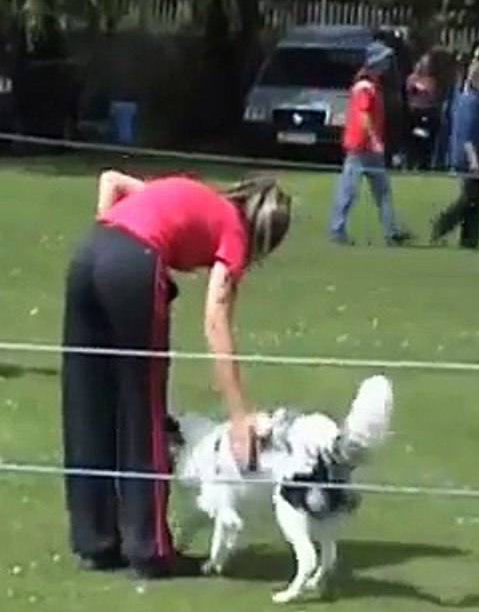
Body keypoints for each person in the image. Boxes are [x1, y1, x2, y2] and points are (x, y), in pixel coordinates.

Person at [62, 170, 292, 579]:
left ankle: (95, 540)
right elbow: (215, 321)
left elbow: (110, 181)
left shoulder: (195, 196)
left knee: (88, 401)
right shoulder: (234, 232)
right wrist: (240, 417)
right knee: (144, 409)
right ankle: (148, 548)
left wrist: (108, 243)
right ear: (263, 235)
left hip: (89, 254)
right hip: (133, 265)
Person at [328, 41, 412, 247]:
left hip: (368, 148)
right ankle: (337, 229)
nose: (387, 65)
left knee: (381, 190)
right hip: (360, 147)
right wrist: (374, 139)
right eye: (384, 60)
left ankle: (392, 231)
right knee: (349, 191)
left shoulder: (372, 85)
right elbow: (364, 115)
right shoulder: (365, 87)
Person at [429, 59, 479, 249]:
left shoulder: (463, 97)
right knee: (470, 197)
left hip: (461, 153)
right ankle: (442, 224)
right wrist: (474, 160)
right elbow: (467, 134)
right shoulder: (472, 102)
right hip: (466, 156)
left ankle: (469, 239)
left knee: (475, 198)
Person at [405, 54, 438, 171]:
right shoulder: (411, 78)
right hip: (414, 113)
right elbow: (409, 90)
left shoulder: (431, 80)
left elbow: (432, 95)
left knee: (425, 139)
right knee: (413, 138)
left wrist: (424, 90)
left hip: (427, 112)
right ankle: (411, 162)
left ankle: (424, 163)